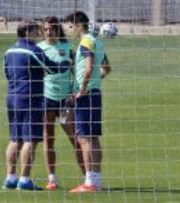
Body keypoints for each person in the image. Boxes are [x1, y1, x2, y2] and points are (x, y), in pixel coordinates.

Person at [2, 19, 70, 191]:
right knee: (30, 139)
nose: (39, 33)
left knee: (14, 139)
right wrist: (67, 62)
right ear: (28, 32)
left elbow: (7, 73)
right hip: (30, 98)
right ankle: (24, 180)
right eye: (36, 30)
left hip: (12, 97)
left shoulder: (9, 51)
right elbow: (53, 69)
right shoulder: (33, 51)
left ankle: (10, 178)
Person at [37, 16, 85, 190]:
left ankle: (88, 177)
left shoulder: (67, 48)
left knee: (76, 139)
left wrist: (74, 92)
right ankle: (52, 179)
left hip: (65, 101)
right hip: (46, 100)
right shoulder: (39, 49)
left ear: (58, 30)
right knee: (48, 139)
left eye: (52, 29)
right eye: (46, 29)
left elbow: (76, 73)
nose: (49, 32)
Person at [65, 11, 108, 193]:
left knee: (83, 138)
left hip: (86, 94)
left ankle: (89, 183)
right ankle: (95, 181)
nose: (68, 31)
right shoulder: (97, 41)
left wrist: (82, 89)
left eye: (70, 26)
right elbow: (106, 68)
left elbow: (89, 68)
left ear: (78, 25)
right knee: (93, 138)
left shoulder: (86, 42)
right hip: (95, 92)